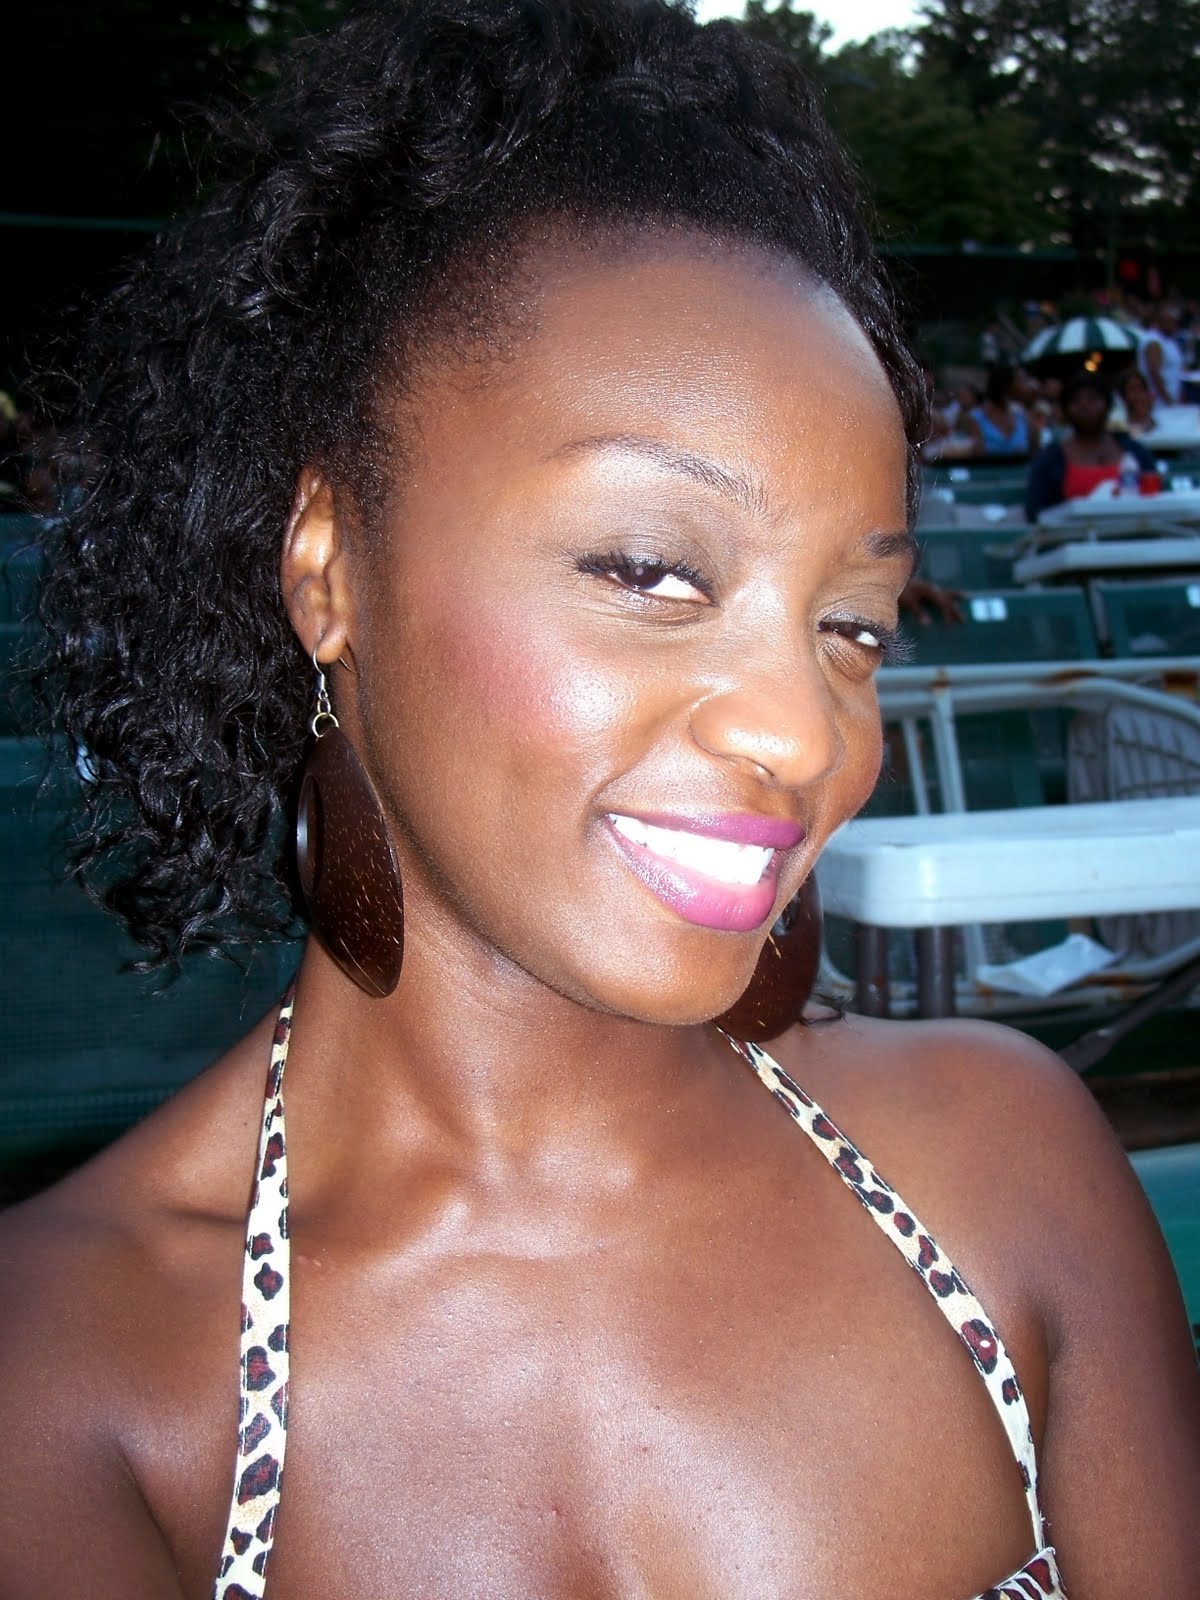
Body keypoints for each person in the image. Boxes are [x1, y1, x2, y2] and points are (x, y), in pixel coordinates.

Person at [3, 2, 1197, 1596]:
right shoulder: (66, 1380)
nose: (805, 733)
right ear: (328, 569)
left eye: (853, 628)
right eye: (647, 568)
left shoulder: (1003, 1167)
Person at [1025, 371, 1159, 522]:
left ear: (1107, 406)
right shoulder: (1049, 459)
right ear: (1065, 411)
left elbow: (1156, 497)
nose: (1085, 406)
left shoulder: (1135, 451)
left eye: (1093, 399)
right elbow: (1036, 513)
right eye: (1075, 401)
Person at [963, 363, 1032, 458]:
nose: (1029, 386)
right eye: (1021, 381)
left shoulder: (1022, 415)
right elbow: (977, 458)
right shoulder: (976, 418)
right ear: (1007, 384)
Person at [1137, 303, 1186, 405]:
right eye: (1171, 321)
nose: (1174, 325)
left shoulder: (1169, 340)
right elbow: (1154, 372)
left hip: (1173, 394)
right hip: (1159, 400)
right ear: (1161, 322)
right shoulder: (1153, 341)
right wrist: (1166, 398)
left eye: (1175, 322)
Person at [1115, 366, 1159, 436]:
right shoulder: (1116, 424)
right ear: (1122, 396)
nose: (1138, 395)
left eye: (1141, 388)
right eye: (1132, 389)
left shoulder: (1161, 418)